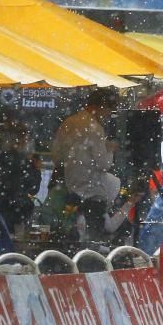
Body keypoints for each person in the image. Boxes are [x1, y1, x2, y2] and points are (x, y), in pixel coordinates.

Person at [50, 90, 118, 236]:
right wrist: (110, 150)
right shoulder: (95, 128)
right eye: (108, 111)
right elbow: (104, 164)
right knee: (93, 240)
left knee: (70, 236)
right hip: (92, 194)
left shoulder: (68, 123)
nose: (107, 116)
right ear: (100, 107)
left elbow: (56, 157)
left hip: (69, 192)